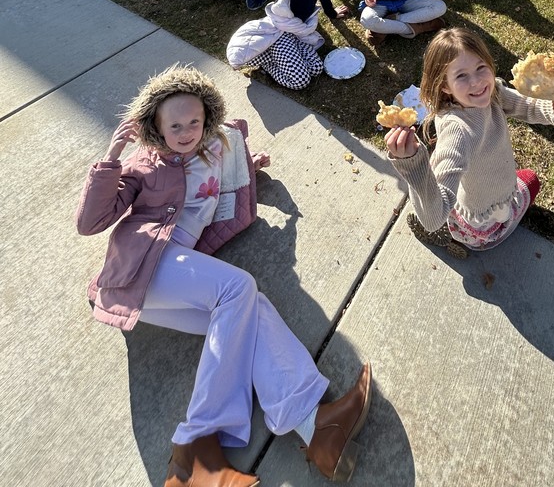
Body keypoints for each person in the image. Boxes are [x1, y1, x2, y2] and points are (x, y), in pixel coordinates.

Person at [75, 65, 372, 487]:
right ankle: (196, 447)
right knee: (238, 288)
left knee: (253, 310)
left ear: (207, 118)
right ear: (155, 126)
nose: (186, 132)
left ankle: (314, 426)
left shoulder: (216, 147)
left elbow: (229, 169)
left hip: (170, 280)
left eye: (194, 122)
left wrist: (251, 165)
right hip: (146, 266)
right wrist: (110, 160)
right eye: (174, 125)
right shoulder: (146, 164)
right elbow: (91, 221)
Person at [384, 28, 554, 258]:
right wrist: (413, 165)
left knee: (529, 180)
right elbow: (433, 216)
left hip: (497, 190)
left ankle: (459, 234)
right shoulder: (456, 131)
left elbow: (525, 106)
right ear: (444, 85)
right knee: (531, 180)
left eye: (481, 68)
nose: (477, 82)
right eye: (461, 76)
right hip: (481, 219)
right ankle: (463, 241)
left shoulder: (493, 91)